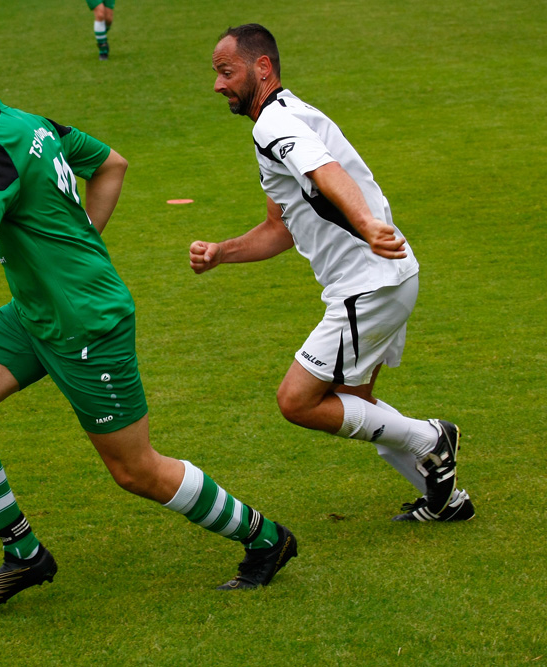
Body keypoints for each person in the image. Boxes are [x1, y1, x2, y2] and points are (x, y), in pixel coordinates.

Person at [0, 30, 297, 609]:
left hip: (88, 325)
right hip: (36, 313)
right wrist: (81, 241)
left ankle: (266, 538)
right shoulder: (31, 124)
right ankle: (24, 554)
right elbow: (112, 164)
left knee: (136, 470)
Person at [190, 24, 473, 523]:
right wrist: (222, 252)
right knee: (356, 403)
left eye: (225, 72)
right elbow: (280, 228)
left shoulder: (273, 123)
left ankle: (434, 437)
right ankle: (448, 500)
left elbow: (326, 171)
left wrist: (366, 224)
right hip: (388, 277)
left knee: (297, 401)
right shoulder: (290, 117)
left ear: (262, 68)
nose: (218, 85)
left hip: (369, 284)